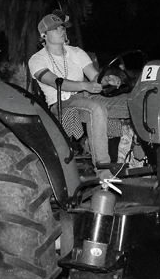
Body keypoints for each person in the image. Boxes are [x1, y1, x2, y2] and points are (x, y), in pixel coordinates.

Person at [28, 13, 120, 178]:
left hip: (86, 97)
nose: (61, 30)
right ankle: (103, 170)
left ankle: (142, 162)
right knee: (96, 108)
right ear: (44, 35)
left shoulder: (77, 52)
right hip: (62, 102)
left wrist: (106, 79)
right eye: (55, 29)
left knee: (131, 102)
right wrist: (86, 85)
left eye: (62, 27)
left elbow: (94, 77)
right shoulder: (37, 59)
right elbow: (56, 82)